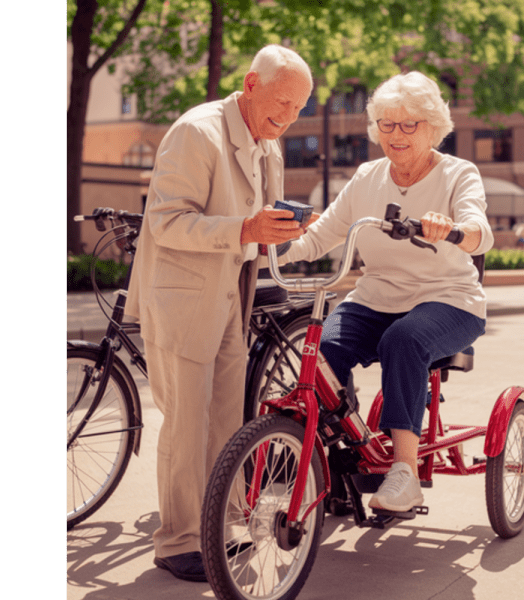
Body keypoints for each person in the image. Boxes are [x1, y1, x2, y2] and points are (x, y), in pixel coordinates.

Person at [124, 45, 314, 582]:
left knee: (227, 419)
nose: (289, 116)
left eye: (299, 107)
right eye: (282, 101)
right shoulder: (197, 132)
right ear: (251, 84)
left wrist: (283, 230)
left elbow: (259, 226)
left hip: (232, 295)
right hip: (182, 299)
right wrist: (245, 229)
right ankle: (178, 541)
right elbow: (165, 221)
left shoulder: (269, 145)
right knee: (187, 424)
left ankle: (219, 527)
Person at [278, 71, 494, 513]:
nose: (396, 134)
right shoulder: (366, 177)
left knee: (403, 339)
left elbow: (480, 233)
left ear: (434, 128)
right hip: (375, 298)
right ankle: (341, 453)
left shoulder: (458, 173)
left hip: (448, 300)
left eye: (409, 124)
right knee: (321, 352)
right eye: (387, 124)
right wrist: (267, 250)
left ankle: (404, 473)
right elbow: (319, 237)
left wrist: (453, 229)